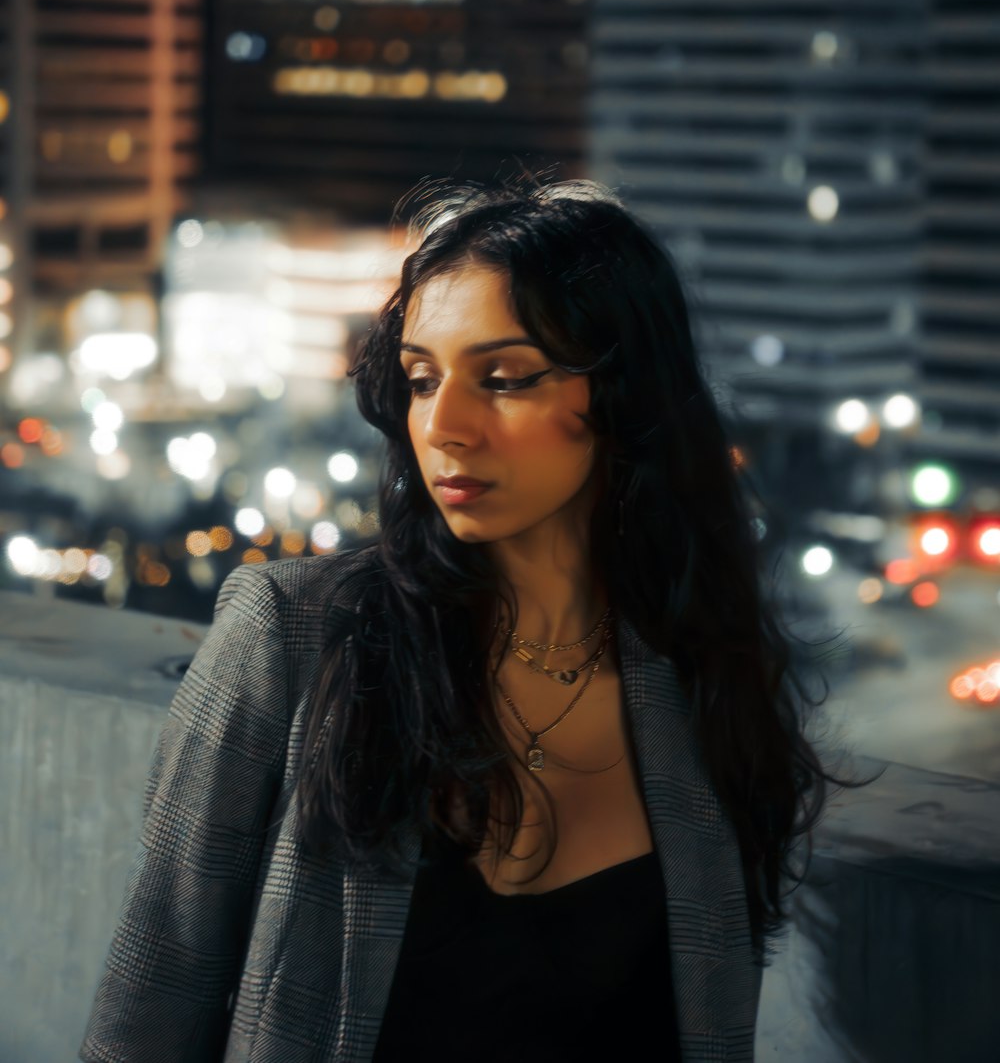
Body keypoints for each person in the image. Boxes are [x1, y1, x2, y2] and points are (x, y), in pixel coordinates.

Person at [79, 172, 856, 1063]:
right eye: (420, 378)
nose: (444, 423)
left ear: (622, 395)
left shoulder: (700, 676)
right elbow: (156, 988)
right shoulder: (292, 635)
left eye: (506, 378)